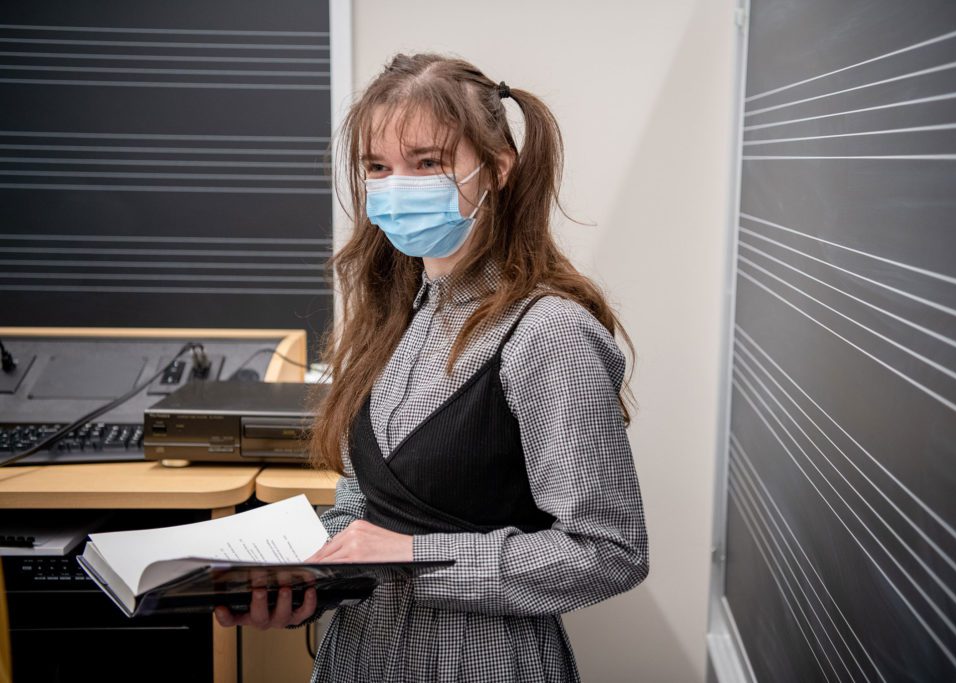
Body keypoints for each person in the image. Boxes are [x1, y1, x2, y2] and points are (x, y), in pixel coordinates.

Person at [215, 52, 648, 683]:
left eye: (427, 163)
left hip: (482, 662)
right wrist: (303, 576)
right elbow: (363, 514)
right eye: (377, 168)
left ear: (497, 170)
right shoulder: (392, 319)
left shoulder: (548, 333)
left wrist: (415, 554)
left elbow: (610, 553)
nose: (396, 187)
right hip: (359, 654)